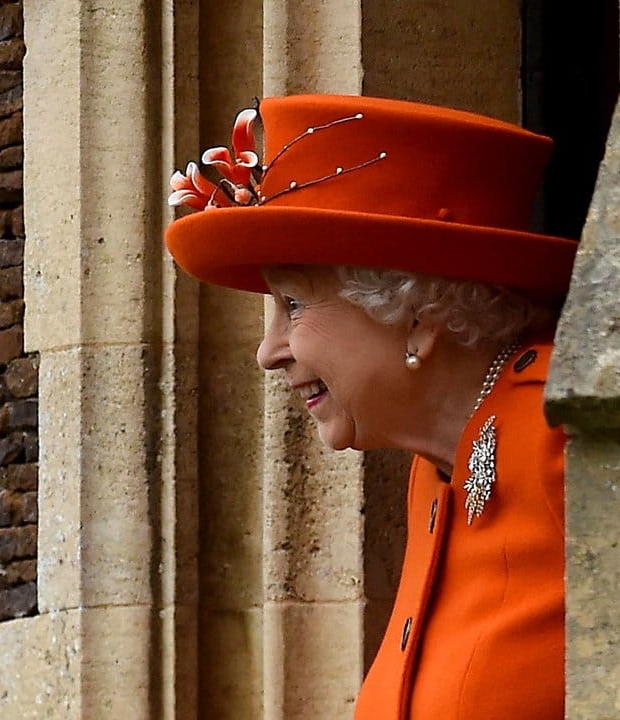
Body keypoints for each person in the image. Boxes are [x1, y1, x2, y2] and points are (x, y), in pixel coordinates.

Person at [164, 94, 577, 720]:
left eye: (294, 305)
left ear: (416, 314)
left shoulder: (563, 431)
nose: (268, 352)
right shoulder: (433, 471)